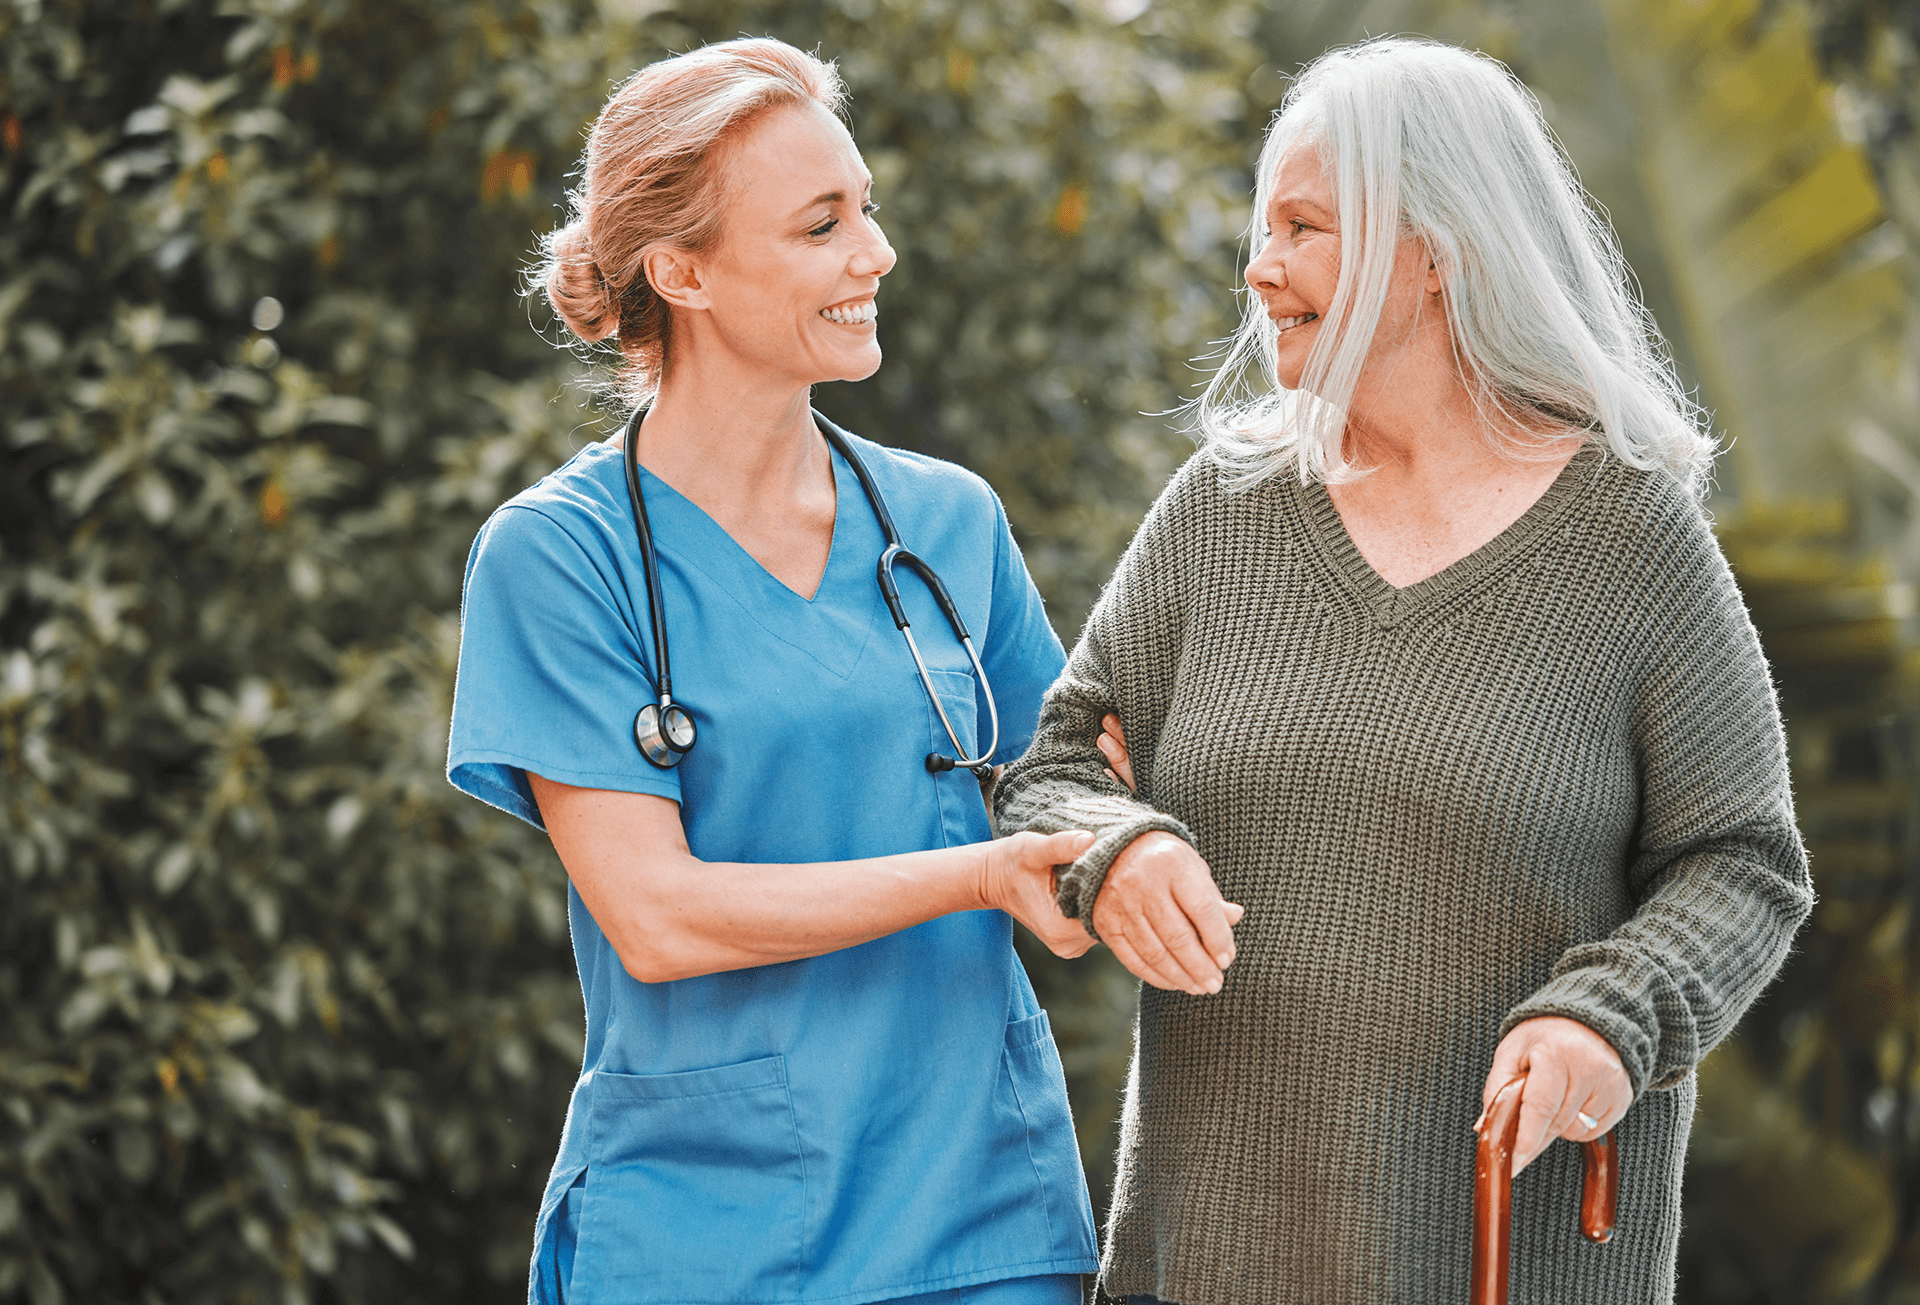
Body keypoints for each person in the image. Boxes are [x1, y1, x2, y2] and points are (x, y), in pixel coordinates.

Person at [994, 37, 1813, 1305]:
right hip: (1210, 1261)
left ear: (1431, 251)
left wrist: (1610, 1015)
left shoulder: (1631, 540)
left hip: (1505, 1264)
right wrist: (1122, 845)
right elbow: (1053, 768)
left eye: (1305, 228)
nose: (1259, 270)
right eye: (1260, 230)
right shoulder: (1223, 510)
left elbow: (1743, 860)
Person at [445, 38, 1114, 1305]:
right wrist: (979, 874)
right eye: (823, 225)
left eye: (865, 210)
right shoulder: (558, 559)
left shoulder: (948, 525)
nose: (877, 255)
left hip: (979, 1210)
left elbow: (1071, 788)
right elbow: (657, 917)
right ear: (681, 270)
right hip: (703, 1233)